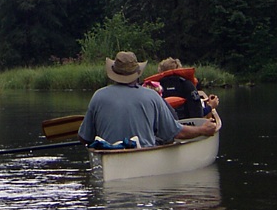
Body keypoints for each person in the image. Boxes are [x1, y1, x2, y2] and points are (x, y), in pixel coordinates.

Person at [77, 51, 217, 148]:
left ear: (113, 74)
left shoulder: (98, 96)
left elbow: (84, 138)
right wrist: (202, 130)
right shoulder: (152, 96)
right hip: (142, 154)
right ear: (137, 73)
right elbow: (175, 132)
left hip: (106, 153)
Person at [144, 57, 220, 120]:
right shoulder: (187, 85)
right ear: (180, 70)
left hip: (163, 131)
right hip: (188, 128)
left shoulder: (154, 88)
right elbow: (198, 115)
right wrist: (210, 107)